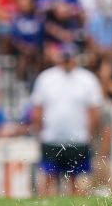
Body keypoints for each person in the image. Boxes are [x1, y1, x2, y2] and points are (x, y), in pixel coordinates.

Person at [28, 42, 103, 196]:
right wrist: (39, 132)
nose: (67, 61)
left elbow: (94, 111)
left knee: (77, 181)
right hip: (51, 138)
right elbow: (37, 109)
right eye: (65, 58)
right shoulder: (46, 78)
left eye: (70, 58)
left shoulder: (87, 79)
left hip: (78, 139)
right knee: (48, 178)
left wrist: (90, 135)